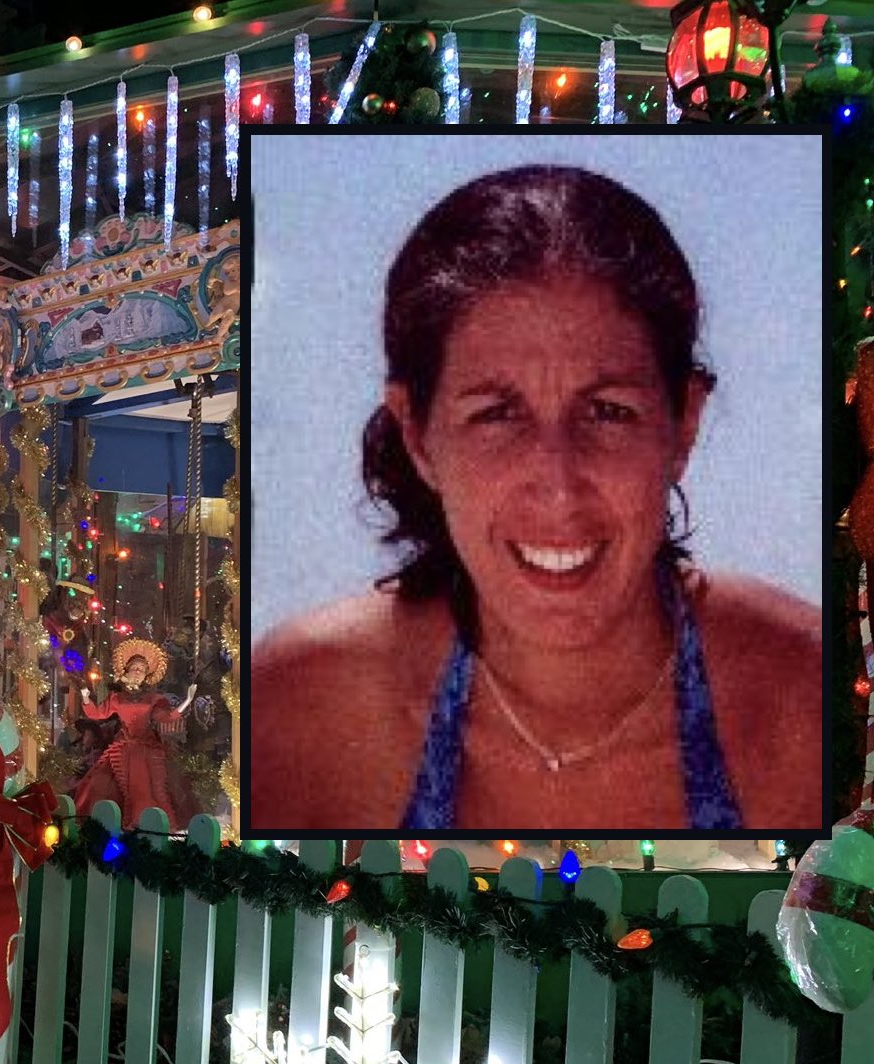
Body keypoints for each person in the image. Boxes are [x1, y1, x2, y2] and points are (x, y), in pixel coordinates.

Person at [250, 164, 820, 832]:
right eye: (496, 414)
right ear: (417, 434)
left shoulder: (810, 703)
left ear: (683, 422)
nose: (557, 485)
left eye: (608, 411)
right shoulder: (297, 714)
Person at [74, 636, 202, 829]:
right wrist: (85, 697)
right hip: (123, 748)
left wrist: (187, 701)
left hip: (147, 749)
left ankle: (155, 824)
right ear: (127, 670)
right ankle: (116, 825)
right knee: (108, 785)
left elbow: (166, 717)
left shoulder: (153, 699)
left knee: (154, 788)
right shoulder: (117, 698)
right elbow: (97, 713)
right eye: (134, 668)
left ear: (146, 675)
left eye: (141, 670)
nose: (137, 672)